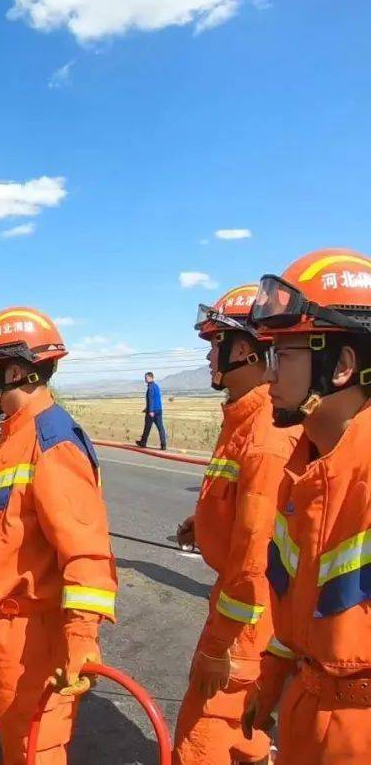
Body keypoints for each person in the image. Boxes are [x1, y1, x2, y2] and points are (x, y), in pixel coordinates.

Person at [241, 249, 371, 765]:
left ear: (339, 366)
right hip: (307, 712)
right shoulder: (303, 468)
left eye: (283, 357)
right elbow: (298, 608)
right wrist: (271, 685)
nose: (268, 377)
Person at [0, 306, 118, 764]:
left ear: (16, 371)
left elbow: (86, 549)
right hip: (9, 634)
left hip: (35, 640)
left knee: (36, 751)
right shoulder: (15, 436)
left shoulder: (51, 440)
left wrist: (80, 638)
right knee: (19, 747)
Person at [172, 285, 301, 765]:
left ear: (244, 347)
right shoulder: (244, 419)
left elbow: (253, 556)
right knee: (243, 738)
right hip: (246, 617)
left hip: (244, 625)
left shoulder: (265, 434)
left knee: (202, 741)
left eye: (214, 343)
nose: (209, 356)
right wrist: (204, 522)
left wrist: (221, 644)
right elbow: (243, 508)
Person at [136, 371, 167, 450]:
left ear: (151, 378)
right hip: (159, 410)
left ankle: (143, 442)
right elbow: (156, 399)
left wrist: (150, 410)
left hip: (152, 411)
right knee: (160, 427)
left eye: (146, 378)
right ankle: (163, 445)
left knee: (147, 427)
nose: (145, 379)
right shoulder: (156, 386)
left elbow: (151, 399)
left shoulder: (150, 387)